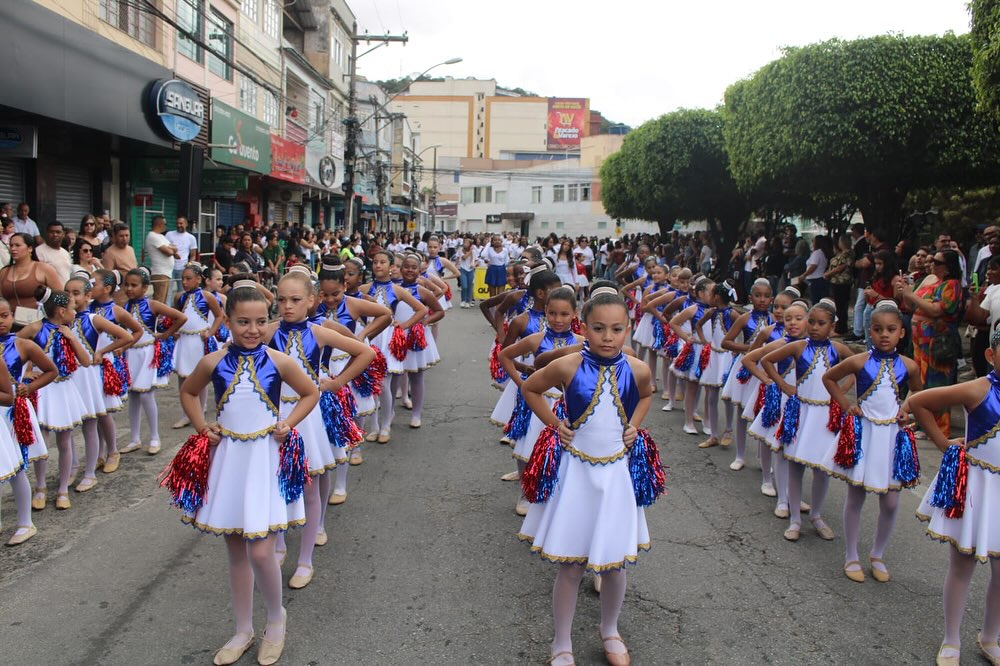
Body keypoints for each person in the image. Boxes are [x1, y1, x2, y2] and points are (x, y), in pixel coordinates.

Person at [168, 282, 319, 666]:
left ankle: (275, 619)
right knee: (236, 549)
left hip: (265, 459)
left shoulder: (279, 360)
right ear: (229, 322)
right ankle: (241, 629)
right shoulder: (213, 361)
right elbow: (188, 392)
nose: (252, 329)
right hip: (231, 460)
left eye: (259, 321)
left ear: (267, 321)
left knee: (262, 548)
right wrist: (203, 426)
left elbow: (310, 392)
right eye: (242, 322)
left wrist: (288, 423)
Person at [516, 285, 656, 666]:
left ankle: (609, 629)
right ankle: (561, 643)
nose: (607, 337)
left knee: (614, 563)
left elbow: (646, 394)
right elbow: (531, 387)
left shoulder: (637, 368)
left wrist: (634, 426)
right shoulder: (569, 364)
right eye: (598, 328)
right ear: (585, 327)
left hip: (614, 476)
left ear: (628, 329)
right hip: (576, 473)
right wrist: (554, 424)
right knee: (572, 565)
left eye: (616, 329)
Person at [266, 267, 374, 590]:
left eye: (296, 299)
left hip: (307, 413)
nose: (287, 306)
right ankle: (280, 543)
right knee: (276, 481)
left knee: (310, 485)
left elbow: (364, 351)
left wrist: (337, 382)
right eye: (282, 299)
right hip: (274, 415)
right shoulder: (268, 331)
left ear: (311, 300)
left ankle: (305, 560)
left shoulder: (319, 331)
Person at [911, 327, 1000, 666]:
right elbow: (919, 402)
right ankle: (951, 639)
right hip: (976, 487)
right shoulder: (979, 388)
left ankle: (990, 637)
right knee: (962, 564)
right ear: (991, 355)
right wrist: (943, 443)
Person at [822, 300, 921, 584]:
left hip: (891, 437)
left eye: (891, 329)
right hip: (865, 433)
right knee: (856, 495)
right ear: (869, 331)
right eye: (877, 329)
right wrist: (846, 404)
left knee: (890, 503)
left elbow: (917, 393)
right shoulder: (859, 360)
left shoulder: (909, 365)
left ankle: (877, 554)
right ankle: (851, 555)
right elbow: (829, 378)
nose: (884, 335)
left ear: (902, 332)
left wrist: (907, 408)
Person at [759, 299, 853, 542]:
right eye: (811, 322)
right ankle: (795, 519)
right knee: (795, 464)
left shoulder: (839, 349)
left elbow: (857, 369)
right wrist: (783, 385)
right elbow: (767, 361)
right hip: (801, 411)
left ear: (833, 326)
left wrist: (841, 395)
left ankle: (817, 515)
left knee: (822, 469)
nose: (814, 327)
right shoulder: (799, 346)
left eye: (821, 323)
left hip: (825, 415)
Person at [500, 286, 584, 516]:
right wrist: (520, 382)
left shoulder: (582, 342)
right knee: (527, 446)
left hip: (566, 405)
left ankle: (555, 494)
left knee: (561, 450)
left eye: (565, 314)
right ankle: (525, 493)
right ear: (545, 311)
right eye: (553, 313)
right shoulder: (536, 340)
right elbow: (504, 354)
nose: (558, 319)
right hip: (538, 399)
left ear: (575, 314)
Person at [18, 287, 92, 511]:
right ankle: (40, 487)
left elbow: (86, 362)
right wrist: (28, 369)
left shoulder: (68, 330)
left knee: (65, 441)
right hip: (44, 390)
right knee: (43, 442)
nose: (74, 310)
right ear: (61, 311)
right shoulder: (35, 328)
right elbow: (16, 347)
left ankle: (62, 489)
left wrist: (72, 338)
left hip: (65, 389)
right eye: (71, 308)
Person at [63, 273, 135, 491]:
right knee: (68, 426)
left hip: (89, 375)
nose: (71, 297)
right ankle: (73, 466)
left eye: (76, 293)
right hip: (70, 377)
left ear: (88, 295)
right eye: (67, 293)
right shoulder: (64, 320)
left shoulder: (93, 319)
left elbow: (126, 336)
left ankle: (92, 469)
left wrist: (102, 351)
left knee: (92, 422)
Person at [742, 296, 809, 518]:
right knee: (780, 449)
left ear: (808, 320)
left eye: (799, 318)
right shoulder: (780, 343)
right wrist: (771, 381)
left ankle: (793, 494)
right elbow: (749, 359)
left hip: (805, 405)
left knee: (798, 452)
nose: (792, 323)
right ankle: (780, 498)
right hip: (783, 401)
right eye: (788, 318)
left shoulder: (813, 347)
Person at [0, 296, 57, 542]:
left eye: (4, 315)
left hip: (13, 412)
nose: (1, 321)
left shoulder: (22, 344)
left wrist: (28, 388)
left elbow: (51, 370)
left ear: (13, 317)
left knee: (17, 467)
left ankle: (26, 522)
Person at [895, 249, 964, 437]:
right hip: (920, 344)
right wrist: (905, 293)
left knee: (937, 383)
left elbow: (936, 310)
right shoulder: (929, 281)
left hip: (937, 343)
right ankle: (920, 423)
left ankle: (938, 428)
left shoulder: (952, 285)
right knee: (921, 383)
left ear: (947, 267)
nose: (930, 263)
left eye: (936, 261)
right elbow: (911, 305)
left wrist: (912, 295)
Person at [122, 268, 186, 456]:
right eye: (127, 284)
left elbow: (181, 317)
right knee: (133, 396)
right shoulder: (125, 306)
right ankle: (134, 438)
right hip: (130, 354)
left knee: (146, 395)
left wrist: (165, 334)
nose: (129, 288)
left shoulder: (152, 305)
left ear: (145, 287)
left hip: (147, 353)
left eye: (134, 285)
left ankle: (155, 437)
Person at [720, 278, 775, 471]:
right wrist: (749, 348)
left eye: (766, 296)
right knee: (742, 413)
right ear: (751, 298)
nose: (762, 299)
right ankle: (740, 455)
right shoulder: (745, 318)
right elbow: (726, 342)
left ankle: (763, 458)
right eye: (758, 296)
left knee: (764, 412)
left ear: (772, 299)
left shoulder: (775, 321)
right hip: (746, 368)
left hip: (766, 370)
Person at [171, 263, 223, 429]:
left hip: (198, 341)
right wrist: (174, 330)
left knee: (199, 377)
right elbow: (174, 317)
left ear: (198, 279)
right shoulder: (179, 297)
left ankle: (199, 412)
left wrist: (210, 332)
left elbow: (219, 316)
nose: (185, 282)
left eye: (188, 279)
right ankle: (187, 412)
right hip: (184, 340)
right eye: (183, 279)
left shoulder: (207, 296)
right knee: (182, 376)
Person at [0, 233, 64, 315]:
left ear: (30, 248)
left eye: (17, 245)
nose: (13, 248)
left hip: (37, 320)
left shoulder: (44, 268)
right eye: (11, 245)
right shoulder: (4, 272)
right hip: (10, 322)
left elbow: (60, 296)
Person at [102, 224, 139, 304]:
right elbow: (107, 278)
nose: (124, 238)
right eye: (121, 236)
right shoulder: (109, 253)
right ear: (114, 237)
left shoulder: (131, 249)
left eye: (127, 235)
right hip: (119, 298)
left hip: (134, 295)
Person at [144, 215, 178, 302]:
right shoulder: (152, 236)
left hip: (166, 273)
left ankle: (161, 316)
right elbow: (169, 252)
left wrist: (171, 249)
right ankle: (156, 316)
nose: (166, 226)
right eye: (165, 224)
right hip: (160, 272)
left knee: (164, 300)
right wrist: (171, 249)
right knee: (159, 300)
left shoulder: (162, 237)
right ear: (160, 224)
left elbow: (174, 248)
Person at [825, 234, 853, 336]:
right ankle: (839, 326)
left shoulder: (847, 254)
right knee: (839, 305)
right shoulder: (841, 253)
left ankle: (841, 328)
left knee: (841, 306)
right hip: (836, 282)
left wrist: (829, 274)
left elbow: (840, 267)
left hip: (842, 283)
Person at [166, 216, 198, 302]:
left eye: (181, 223)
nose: (179, 225)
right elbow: (166, 249)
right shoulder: (169, 234)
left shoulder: (191, 238)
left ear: (186, 224)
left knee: (182, 291)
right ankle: (167, 313)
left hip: (183, 268)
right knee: (167, 292)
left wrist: (189, 265)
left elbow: (193, 255)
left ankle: (181, 309)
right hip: (170, 267)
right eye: (177, 223)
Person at [34, 222, 74, 286]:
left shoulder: (65, 253)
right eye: (51, 232)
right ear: (46, 233)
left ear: (63, 234)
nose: (55, 234)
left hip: (66, 293)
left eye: (58, 232)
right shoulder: (38, 251)